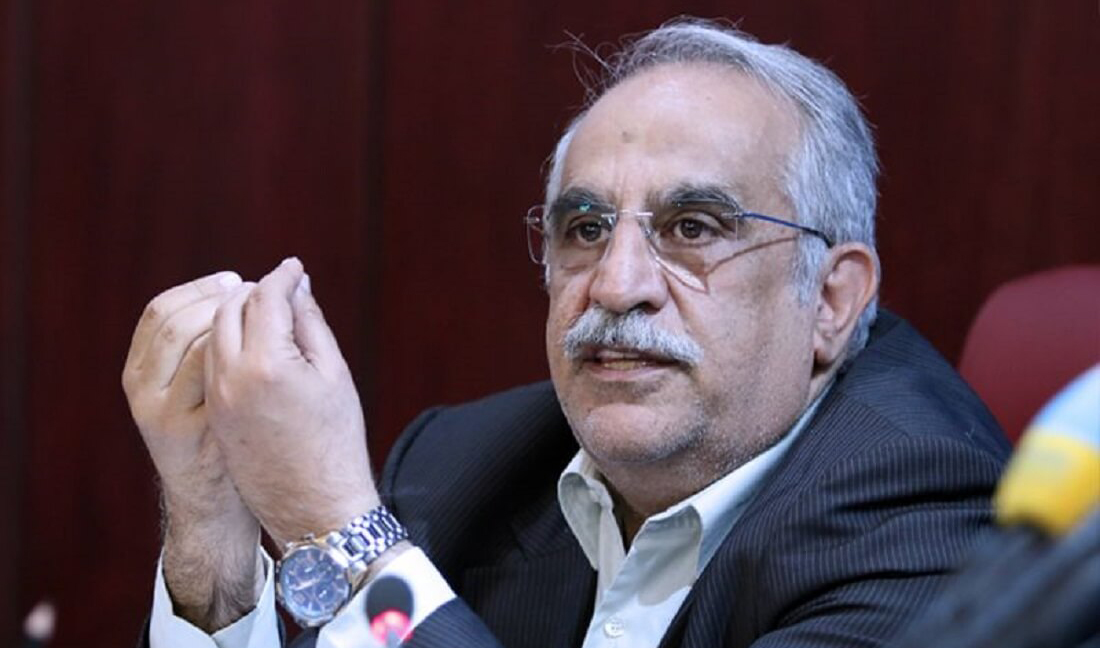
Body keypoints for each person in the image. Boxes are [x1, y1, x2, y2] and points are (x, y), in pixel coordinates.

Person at [124, 18, 1010, 648]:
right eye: (585, 229)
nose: (617, 285)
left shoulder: (933, 520)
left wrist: (339, 529)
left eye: (693, 228)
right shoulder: (462, 468)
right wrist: (212, 534)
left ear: (831, 300)